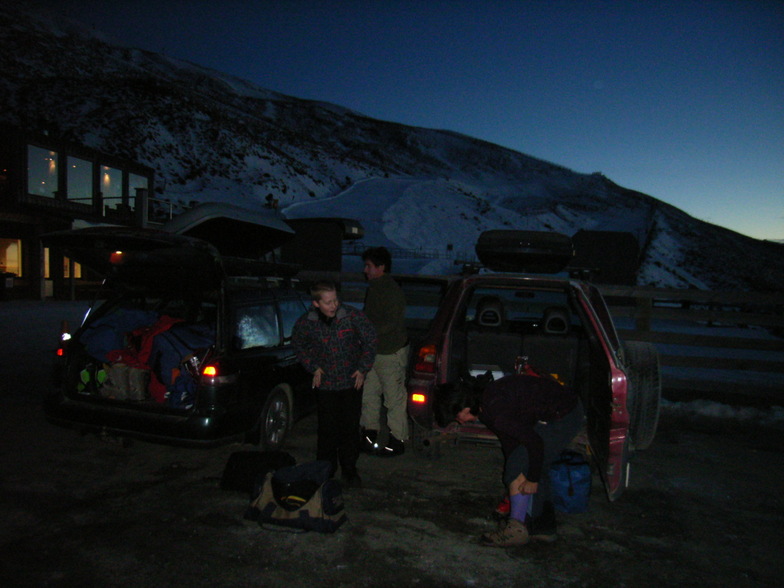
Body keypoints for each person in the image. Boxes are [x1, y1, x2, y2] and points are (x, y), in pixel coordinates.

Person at [455, 371, 584, 547]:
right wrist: (516, 472)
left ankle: (516, 530)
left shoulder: (495, 411)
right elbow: (509, 441)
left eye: (457, 416)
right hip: (554, 412)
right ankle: (543, 528)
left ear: (464, 407)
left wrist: (531, 479)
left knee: (523, 466)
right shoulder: (487, 409)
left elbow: (535, 442)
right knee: (524, 464)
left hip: (566, 414)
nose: (460, 422)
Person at [291, 281, 377, 489]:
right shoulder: (307, 322)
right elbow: (298, 344)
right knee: (327, 431)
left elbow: (371, 339)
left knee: (349, 429)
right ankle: (325, 472)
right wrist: (313, 367)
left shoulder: (352, 316)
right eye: (328, 302)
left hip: (351, 383)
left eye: (336, 300)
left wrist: (363, 368)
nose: (334, 305)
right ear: (316, 303)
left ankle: (349, 471)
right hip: (326, 385)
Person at [360, 246, 409, 457]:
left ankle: (397, 440)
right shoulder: (374, 288)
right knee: (369, 394)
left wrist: (368, 332)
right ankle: (369, 435)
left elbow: (391, 322)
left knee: (393, 399)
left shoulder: (391, 291)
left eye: (369, 266)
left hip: (390, 352)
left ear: (381, 267)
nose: (365, 270)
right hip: (374, 352)